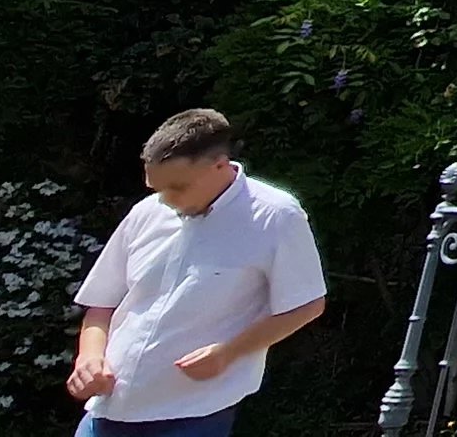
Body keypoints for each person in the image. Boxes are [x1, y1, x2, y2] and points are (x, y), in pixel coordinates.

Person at [66, 110, 327, 437]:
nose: (165, 200)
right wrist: (89, 358)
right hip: (111, 407)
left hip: (195, 411)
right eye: (156, 188)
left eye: (177, 188)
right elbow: (102, 302)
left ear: (219, 166)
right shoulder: (146, 212)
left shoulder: (276, 215)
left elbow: (307, 304)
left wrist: (228, 353)